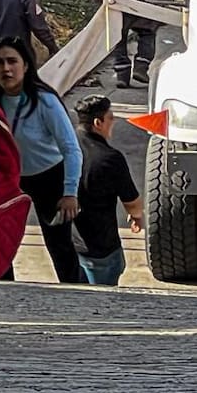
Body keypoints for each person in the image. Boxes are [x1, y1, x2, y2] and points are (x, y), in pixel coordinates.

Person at [0, 36, 82, 283]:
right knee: (0, 241)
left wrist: (69, 193)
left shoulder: (45, 101)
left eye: (12, 61)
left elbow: (71, 149)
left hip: (49, 179)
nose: (6, 69)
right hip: (9, 182)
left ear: (26, 65)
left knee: (59, 244)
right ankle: (5, 293)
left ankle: (76, 295)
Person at [72, 94, 143, 286]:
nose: (114, 122)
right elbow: (133, 203)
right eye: (111, 117)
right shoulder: (110, 159)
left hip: (71, 244)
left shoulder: (66, 149)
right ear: (98, 123)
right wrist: (137, 217)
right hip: (102, 250)